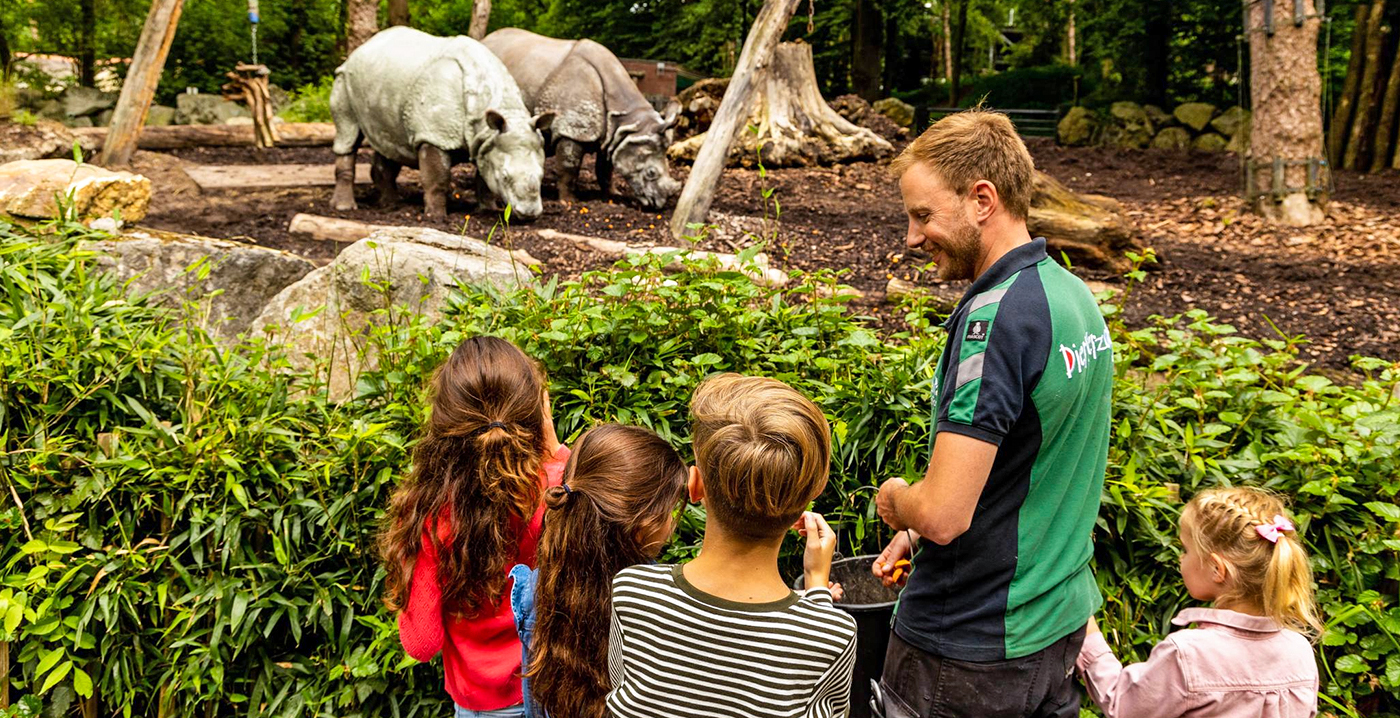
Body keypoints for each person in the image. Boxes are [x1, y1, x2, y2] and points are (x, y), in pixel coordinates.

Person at [871, 109, 1115, 717]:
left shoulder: (993, 321)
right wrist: (916, 531)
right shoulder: (1067, 293)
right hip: (1055, 627)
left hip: (970, 646)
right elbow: (1034, 459)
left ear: (983, 199)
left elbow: (945, 515)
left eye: (923, 215)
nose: (911, 236)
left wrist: (900, 502)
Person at [606, 373, 858, 718]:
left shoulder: (633, 593)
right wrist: (816, 590)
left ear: (695, 487)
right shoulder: (830, 636)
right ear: (812, 495)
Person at [379, 336, 571, 718]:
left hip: (481, 706)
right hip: (557, 690)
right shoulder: (561, 491)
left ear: (443, 424)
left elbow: (422, 643)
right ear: (538, 412)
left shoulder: (430, 513)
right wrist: (558, 456)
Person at [1078, 486, 1321, 717]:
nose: (1181, 559)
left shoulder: (1187, 654)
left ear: (1217, 569)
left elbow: (1123, 706)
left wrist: (1088, 634)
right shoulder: (1299, 650)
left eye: (1186, 549)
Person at [509, 423, 690, 718]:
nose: (672, 523)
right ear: (642, 525)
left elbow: (537, 705)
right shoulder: (659, 598)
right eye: (669, 510)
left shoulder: (538, 587)